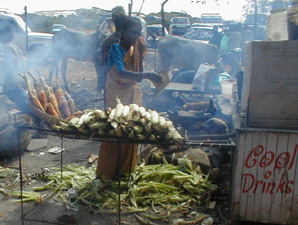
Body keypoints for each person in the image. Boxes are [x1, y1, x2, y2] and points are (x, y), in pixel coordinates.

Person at [96, 17, 162, 180]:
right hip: (115, 92)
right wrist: (147, 75)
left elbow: (137, 77)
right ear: (123, 32)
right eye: (132, 32)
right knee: (114, 129)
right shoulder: (115, 49)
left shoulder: (136, 47)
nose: (135, 36)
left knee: (131, 130)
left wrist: (143, 70)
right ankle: (108, 172)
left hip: (132, 92)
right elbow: (121, 71)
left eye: (138, 33)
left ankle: (126, 171)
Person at [0, 19, 29, 113]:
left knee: (27, 108)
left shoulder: (6, 49)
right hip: (20, 82)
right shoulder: (16, 48)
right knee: (26, 105)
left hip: (13, 85)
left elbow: (9, 65)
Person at [97, 6, 126, 95]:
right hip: (128, 84)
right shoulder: (132, 40)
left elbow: (104, 65)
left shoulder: (109, 41)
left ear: (113, 20)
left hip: (112, 84)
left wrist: (101, 83)